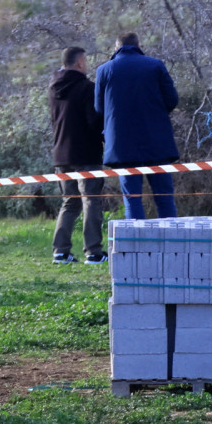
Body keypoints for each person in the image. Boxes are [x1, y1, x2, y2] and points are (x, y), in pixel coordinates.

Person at [95, 32, 181, 219]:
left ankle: (137, 246)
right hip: (156, 140)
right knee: (164, 197)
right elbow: (172, 99)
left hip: (122, 144)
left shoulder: (104, 70)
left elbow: (99, 108)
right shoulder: (155, 65)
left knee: (132, 198)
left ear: (116, 48)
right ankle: (172, 245)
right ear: (139, 45)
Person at [49, 46, 106, 264]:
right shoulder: (86, 87)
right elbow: (94, 122)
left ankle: (60, 251)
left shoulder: (53, 87)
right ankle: (93, 252)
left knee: (69, 202)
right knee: (91, 201)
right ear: (80, 63)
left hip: (61, 155)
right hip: (86, 154)